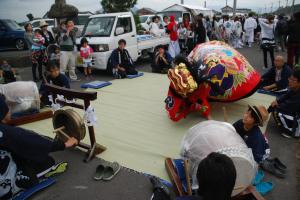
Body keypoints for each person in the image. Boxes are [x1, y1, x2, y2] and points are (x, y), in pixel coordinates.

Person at [0, 95, 78, 199]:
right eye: (7, 107)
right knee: (46, 160)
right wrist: (64, 144)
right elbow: (33, 142)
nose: (10, 110)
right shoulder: (8, 133)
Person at [268, 69, 300, 138]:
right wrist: (277, 102)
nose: (290, 81)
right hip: (294, 111)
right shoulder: (294, 88)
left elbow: (287, 106)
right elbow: (285, 96)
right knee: (276, 105)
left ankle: (291, 132)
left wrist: (275, 105)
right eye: (290, 79)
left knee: (277, 112)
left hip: (297, 116)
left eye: (293, 80)